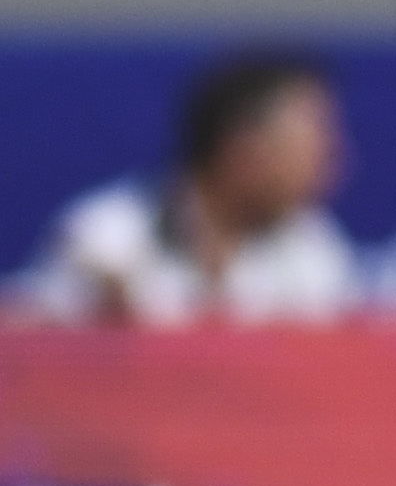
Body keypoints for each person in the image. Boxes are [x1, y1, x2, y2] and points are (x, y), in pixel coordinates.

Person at [26, 53, 360, 326]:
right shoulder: (102, 237)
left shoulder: (313, 246)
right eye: (313, 142)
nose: (331, 159)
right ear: (243, 150)